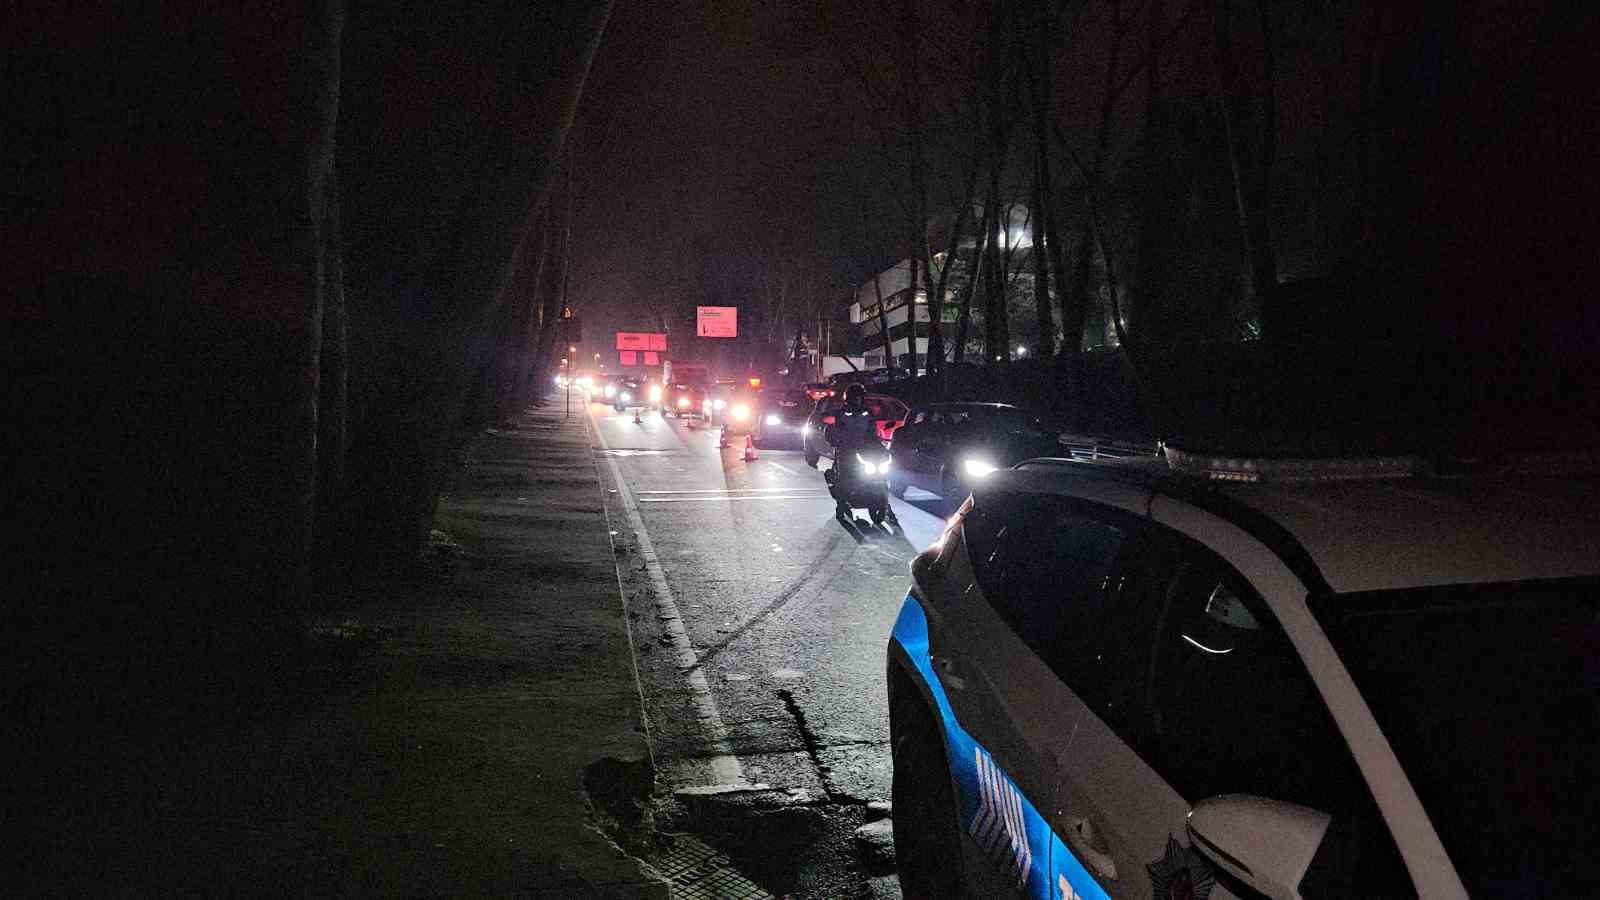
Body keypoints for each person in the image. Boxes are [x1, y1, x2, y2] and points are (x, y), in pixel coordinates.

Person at [823, 383, 882, 516]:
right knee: (844, 476)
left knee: (880, 469)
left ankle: (881, 500)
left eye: (860, 397)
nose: (858, 400)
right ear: (849, 398)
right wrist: (837, 440)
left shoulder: (868, 413)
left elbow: (873, 431)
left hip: (864, 449)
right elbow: (836, 430)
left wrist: (877, 442)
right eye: (855, 397)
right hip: (846, 449)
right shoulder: (842, 413)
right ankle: (841, 504)